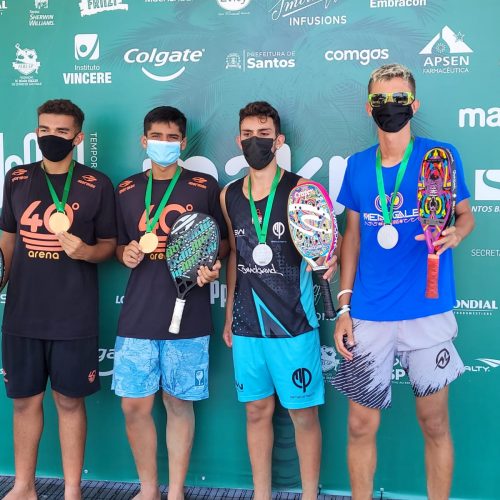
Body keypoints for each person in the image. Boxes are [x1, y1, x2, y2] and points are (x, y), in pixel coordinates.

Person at [332, 63, 475, 500]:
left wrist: (456, 233)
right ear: (368, 107)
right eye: (380, 99)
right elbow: (352, 237)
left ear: (414, 105)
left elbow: (466, 215)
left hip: (427, 310)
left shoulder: (440, 157)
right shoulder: (358, 166)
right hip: (369, 312)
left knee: (434, 423)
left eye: (399, 98)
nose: (389, 106)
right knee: (360, 425)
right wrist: (343, 307)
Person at [0, 99, 117, 500]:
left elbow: (109, 246)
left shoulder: (96, 183)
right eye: (45, 129)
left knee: (69, 403)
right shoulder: (17, 178)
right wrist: (1, 279)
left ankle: (71, 491)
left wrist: (87, 251)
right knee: (23, 403)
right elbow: (8, 240)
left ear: (78, 137)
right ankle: (23, 487)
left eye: (62, 131)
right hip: (22, 314)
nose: (51, 137)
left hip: (73, 316)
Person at [220, 101, 337, 500]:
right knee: (256, 411)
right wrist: (228, 315)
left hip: (294, 323)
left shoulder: (302, 192)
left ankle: (309, 495)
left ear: (279, 140)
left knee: (303, 414)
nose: (255, 141)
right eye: (248, 135)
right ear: (238, 140)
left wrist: (330, 259)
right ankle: (261, 494)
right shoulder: (228, 195)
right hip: (246, 325)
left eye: (264, 134)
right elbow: (235, 256)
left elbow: (324, 250)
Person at [113, 106, 228, 500]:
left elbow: (221, 242)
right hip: (138, 314)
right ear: (144, 141)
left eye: (172, 138)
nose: (164, 144)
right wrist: (125, 253)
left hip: (188, 313)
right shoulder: (126, 189)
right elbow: (116, 244)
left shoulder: (203, 186)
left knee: (179, 404)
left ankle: (175, 491)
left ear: (183, 142)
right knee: (134, 407)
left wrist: (212, 265)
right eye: (157, 137)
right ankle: (148, 491)